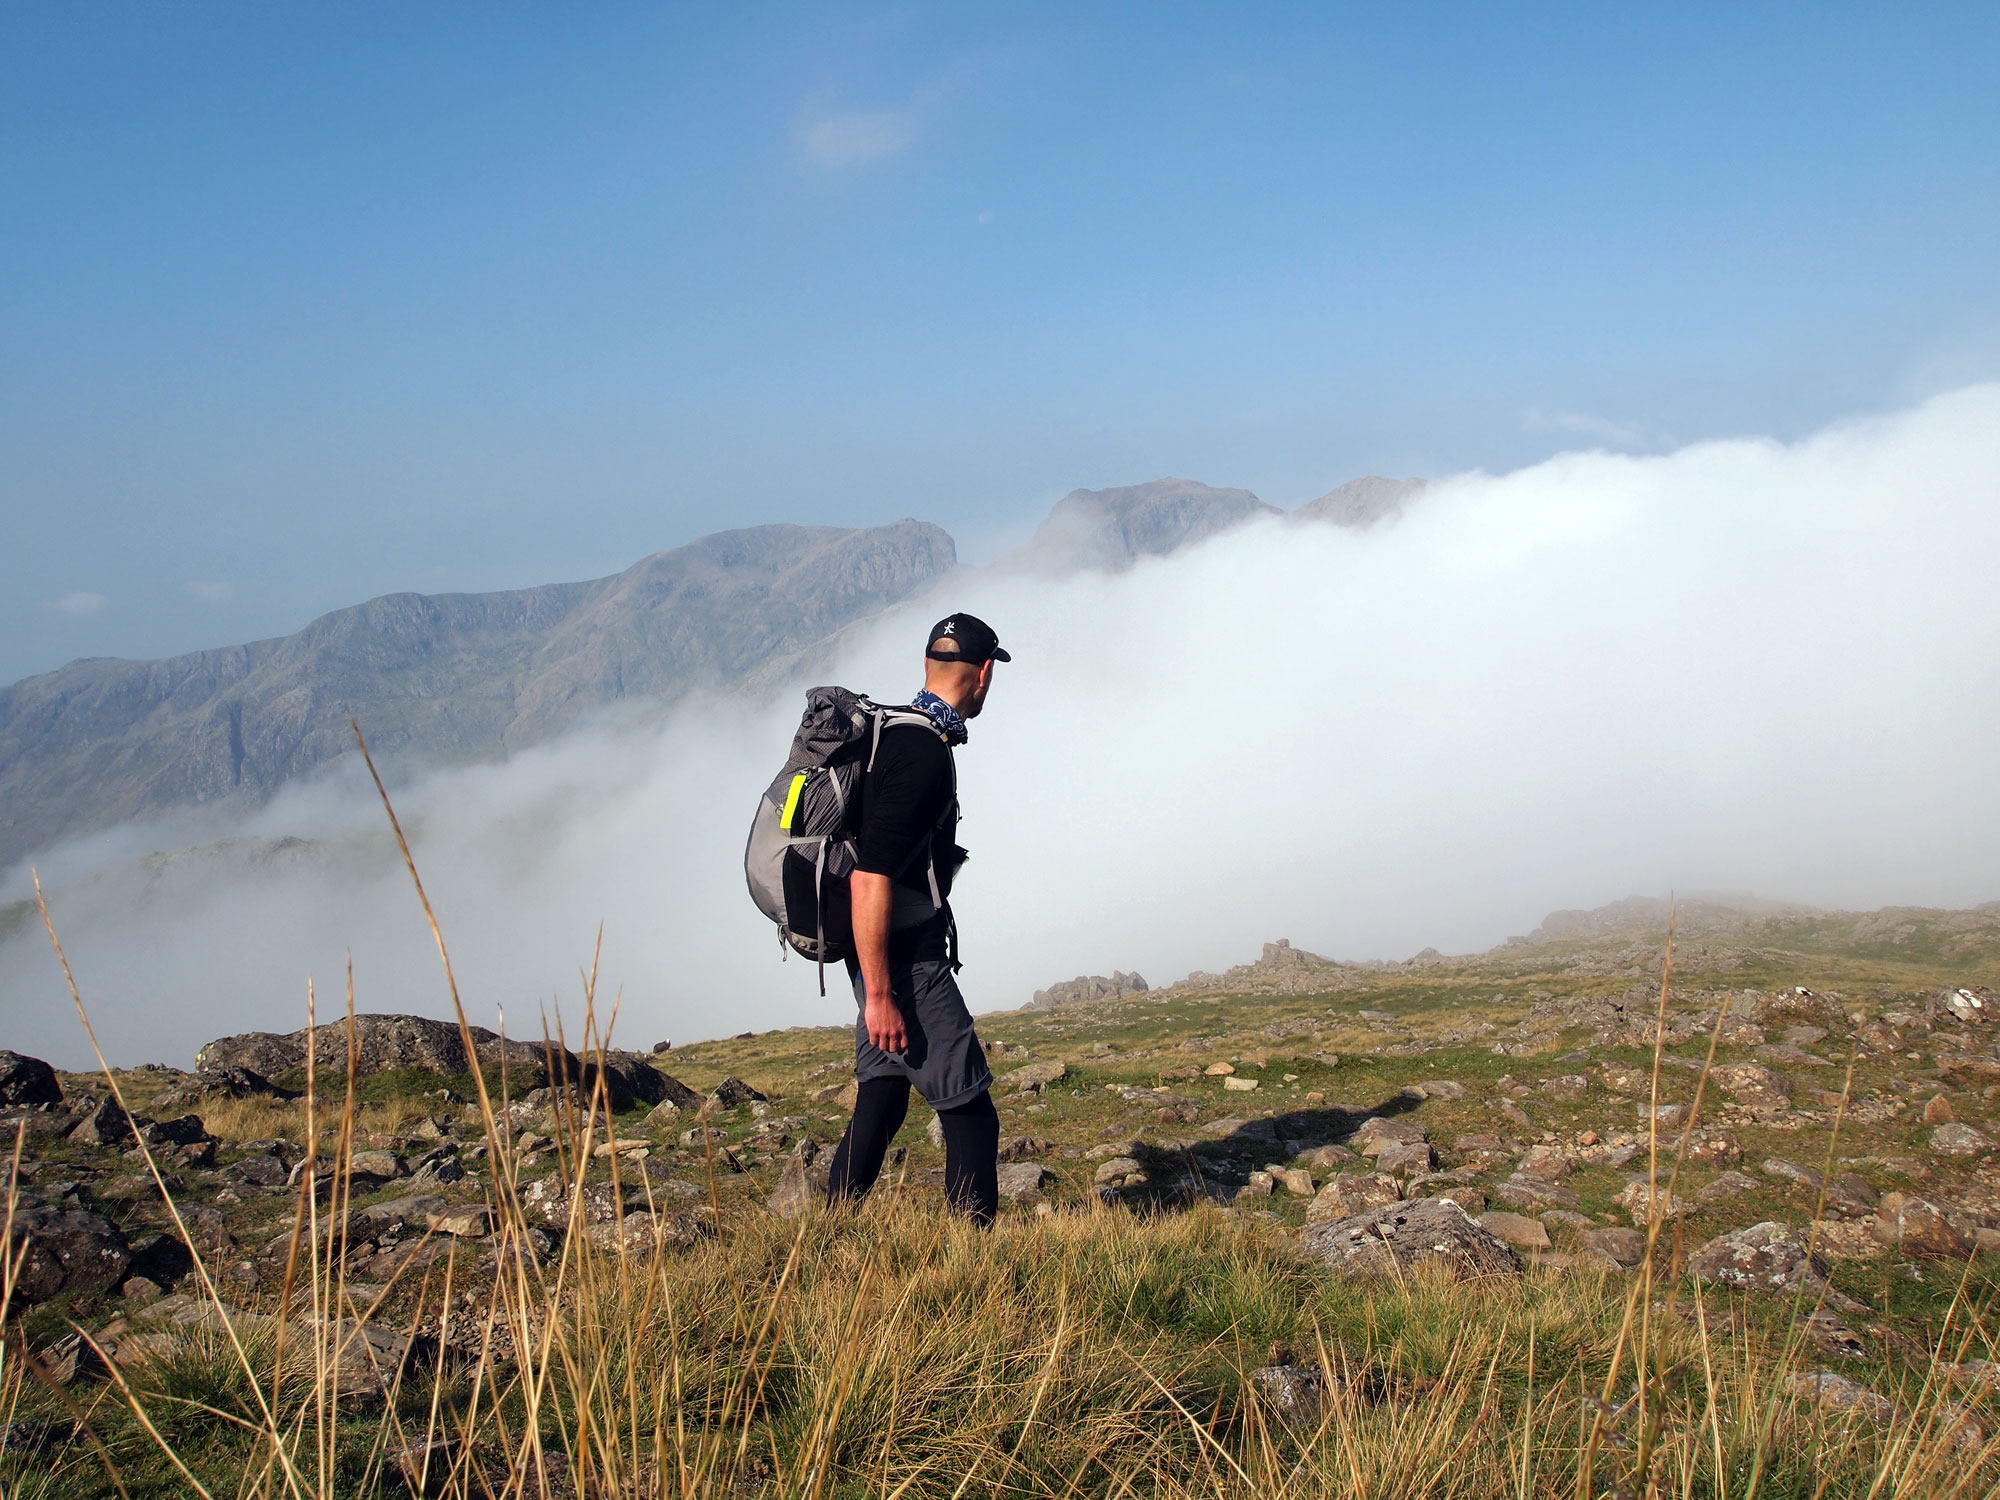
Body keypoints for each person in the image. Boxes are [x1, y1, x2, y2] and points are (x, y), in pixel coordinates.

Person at [824, 613, 1010, 1225]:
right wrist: (880, 995)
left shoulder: (894, 732)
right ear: (982, 674)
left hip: (875, 951)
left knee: (881, 1096)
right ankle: (972, 1267)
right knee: (971, 1113)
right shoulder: (924, 751)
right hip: (904, 960)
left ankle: (825, 1228)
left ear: (929, 667)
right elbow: (870, 876)